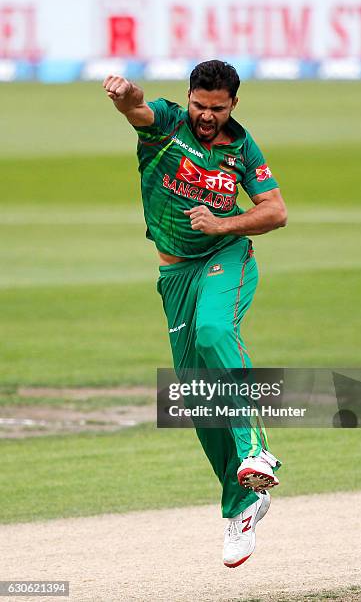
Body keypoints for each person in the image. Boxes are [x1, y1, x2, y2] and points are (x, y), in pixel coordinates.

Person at [103, 60, 287, 568]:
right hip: (175, 274)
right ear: (188, 97)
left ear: (233, 104)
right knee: (196, 397)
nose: (207, 116)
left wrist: (225, 222)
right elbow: (135, 106)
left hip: (227, 256)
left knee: (213, 330)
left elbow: (275, 210)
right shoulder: (167, 124)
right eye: (200, 106)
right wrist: (123, 92)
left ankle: (257, 450)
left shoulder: (242, 148)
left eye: (217, 108)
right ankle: (243, 504)